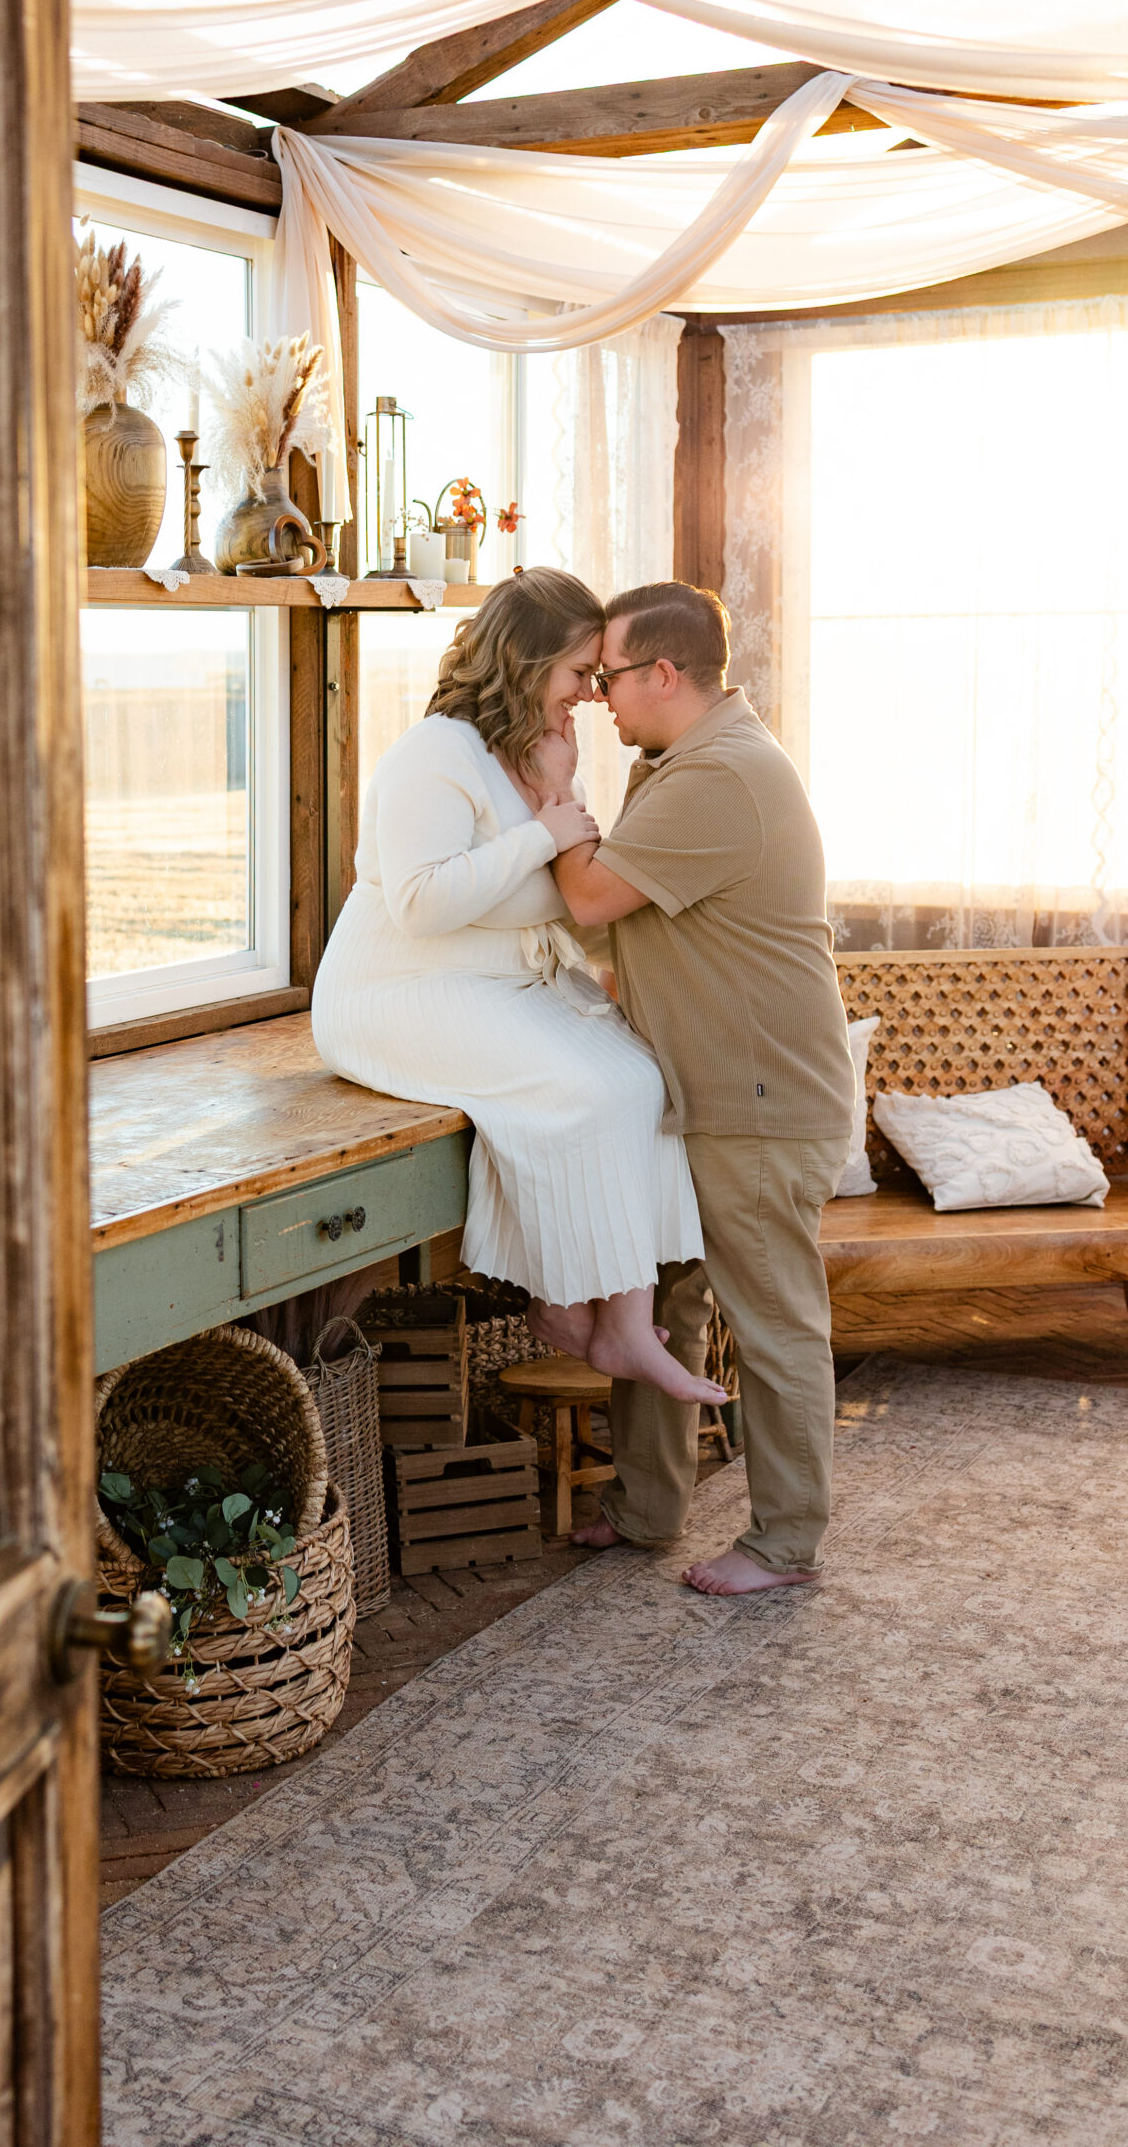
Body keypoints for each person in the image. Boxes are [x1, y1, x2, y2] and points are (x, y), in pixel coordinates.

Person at [311, 569, 723, 1404]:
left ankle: (615, 1323)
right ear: (528, 661)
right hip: (394, 994)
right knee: (583, 1086)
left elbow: (553, 892)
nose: (590, 694)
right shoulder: (436, 752)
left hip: (493, 985)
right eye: (579, 673)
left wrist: (556, 796)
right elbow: (424, 903)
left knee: (644, 1078)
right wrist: (543, 826)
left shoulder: (528, 749)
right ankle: (569, 1305)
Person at [550, 581, 854, 1596]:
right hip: (702, 1096)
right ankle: (647, 1509)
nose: (598, 697)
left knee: (772, 1322)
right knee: (666, 1298)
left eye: (610, 675)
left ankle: (786, 1542)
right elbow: (616, 923)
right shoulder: (678, 763)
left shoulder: (720, 774)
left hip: (760, 1101)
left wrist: (552, 802)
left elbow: (589, 892)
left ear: (665, 674)